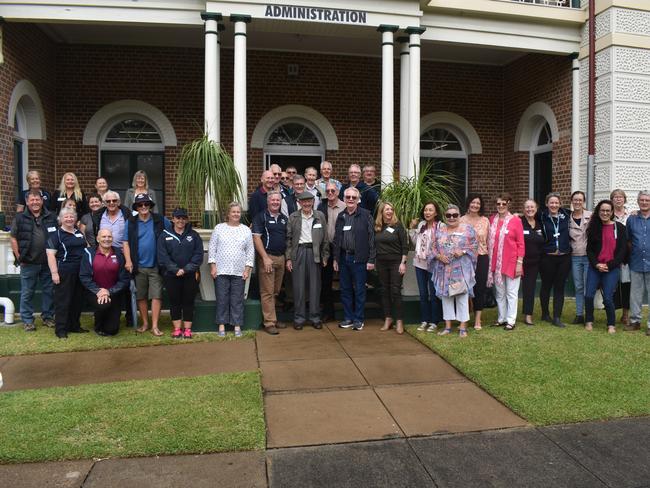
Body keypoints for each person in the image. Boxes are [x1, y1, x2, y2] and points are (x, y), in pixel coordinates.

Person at [123, 193, 170, 336]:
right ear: (136, 207)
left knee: (156, 296)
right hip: (138, 265)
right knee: (141, 296)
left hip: (156, 265)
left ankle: (155, 326)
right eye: (140, 205)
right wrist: (128, 260)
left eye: (146, 204)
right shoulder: (130, 222)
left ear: (150, 206)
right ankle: (145, 323)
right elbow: (125, 243)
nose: (143, 207)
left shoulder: (161, 220)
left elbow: (171, 235)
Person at [10, 190, 57, 331]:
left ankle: (48, 317)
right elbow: (13, 238)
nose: (35, 202)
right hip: (28, 262)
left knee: (49, 291)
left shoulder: (51, 216)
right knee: (27, 292)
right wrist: (19, 257)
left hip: (48, 262)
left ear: (42, 201)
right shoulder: (19, 218)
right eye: (32, 200)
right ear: (27, 201)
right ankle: (28, 320)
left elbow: (56, 237)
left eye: (38, 199)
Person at [431, 204, 478, 338]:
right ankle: (448, 326)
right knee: (446, 297)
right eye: (449, 215)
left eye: (455, 215)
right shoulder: (440, 230)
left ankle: (463, 327)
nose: (452, 218)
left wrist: (463, 251)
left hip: (461, 269)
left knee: (462, 296)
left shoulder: (467, 230)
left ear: (459, 215)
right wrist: (439, 256)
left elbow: (475, 245)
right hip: (444, 269)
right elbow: (433, 247)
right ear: (445, 217)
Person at [208, 202, 254, 337]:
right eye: (233, 212)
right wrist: (213, 266)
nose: (236, 214)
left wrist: (247, 269)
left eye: (238, 212)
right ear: (228, 214)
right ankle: (221, 325)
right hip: (221, 270)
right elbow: (212, 248)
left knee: (237, 299)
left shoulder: (246, 230)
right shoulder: (219, 228)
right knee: (222, 298)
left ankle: (237, 325)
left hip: (239, 271)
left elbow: (250, 251)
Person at [333, 186, 375, 331]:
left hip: (360, 259)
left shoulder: (366, 215)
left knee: (359, 290)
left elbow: (371, 239)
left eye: (353, 197)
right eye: (348, 197)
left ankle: (358, 319)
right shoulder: (341, 216)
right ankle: (348, 318)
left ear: (358, 200)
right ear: (344, 199)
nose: (350, 199)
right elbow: (337, 238)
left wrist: (371, 259)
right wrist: (336, 259)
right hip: (344, 258)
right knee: (345, 289)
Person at [157, 208, 203, 339]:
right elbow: (162, 256)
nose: (180, 220)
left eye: (183, 218)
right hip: (172, 275)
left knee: (188, 302)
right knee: (175, 302)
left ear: (186, 219)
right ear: (173, 219)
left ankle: (187, 329)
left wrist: (186, 269)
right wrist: (175, 269)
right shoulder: (164, 235)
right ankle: (177, 329)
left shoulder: (194, 235)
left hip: (190, 275)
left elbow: (198, 255)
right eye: (178, 218)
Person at [286, 192, 329, 329]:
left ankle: (315, 317)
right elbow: (288, 239)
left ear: (312, 202)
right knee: (298, 287)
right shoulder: (293, 217)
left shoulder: (319, 216)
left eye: (309, 201)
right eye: (303, 201)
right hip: (298, 252)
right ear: (299, 202)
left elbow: (325, 238)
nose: (306, 204)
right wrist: (288, 258)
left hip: (314, 252)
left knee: (315, 286)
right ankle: (299, 318)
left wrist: (325, 256)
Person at [584, 199, 628, 334]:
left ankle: (611, 324)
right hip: (595, 267)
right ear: (598, 211)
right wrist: (597, 264)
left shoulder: (620, 228)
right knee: (589, 296)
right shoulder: (593, 227)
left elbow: (622, 251)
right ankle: (589, 320)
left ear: (612, 212)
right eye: (602, 210)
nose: (605, 213)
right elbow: (589, 250)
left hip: (611, 268)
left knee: (608, 298)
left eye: (608, 211)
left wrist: (609, 265)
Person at [46, 207, 89, 338]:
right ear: (61, 219)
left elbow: (86, 247)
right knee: (63, 301)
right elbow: (50, 255)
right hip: (64, 272)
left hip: (80, 272)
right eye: (66, 217)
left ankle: (74, 326)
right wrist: (54, 273)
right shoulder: (56, 235)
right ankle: (61, 330)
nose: (69, 219)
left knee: (77, 300)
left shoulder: (79, 233)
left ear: (75, 219)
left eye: (72, 216)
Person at [80, 229, 130, 336]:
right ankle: (98, 326)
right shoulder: (89, 253)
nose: (106, 239)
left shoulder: (119, 254)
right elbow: (84, 277)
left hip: (113, 293)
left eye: (109, 237)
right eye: (103, 237)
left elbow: (124, 279)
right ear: (98, 239)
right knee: (103, 304)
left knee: (112, 330)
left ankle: (109, 321)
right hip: (94, 292)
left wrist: (109, 291)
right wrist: (98, 291)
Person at [252, 191, 289, 335]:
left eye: (277, 200)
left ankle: (272, 318)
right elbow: (256, 238)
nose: (275, 202)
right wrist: (265, 257)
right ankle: (269, 322)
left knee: (275, 291)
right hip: (267, 258)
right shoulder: (261, 217)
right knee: (267, 291)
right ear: (268, 202)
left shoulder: (284, 219)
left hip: (281, 258)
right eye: (272, 200)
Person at [486, 193, 525, 330]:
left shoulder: (516, 221)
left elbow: (521, 244)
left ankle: (511, 320)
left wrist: (520, 263)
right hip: (496, 263)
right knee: (500, 293)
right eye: (498, 203)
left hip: (512, 263)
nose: (501, 206)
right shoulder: (491, 220)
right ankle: (501, 318)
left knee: (511, 293)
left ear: (509, 203)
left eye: (504, 203)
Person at [375, 202, 409, 334]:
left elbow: (405, 246)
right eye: (387, 209)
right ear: (381, 212)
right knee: (384, 290)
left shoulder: (398, 225)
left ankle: (399, 321)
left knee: (395, 291)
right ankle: (388, 318)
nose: (389, 211)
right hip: (381, 262)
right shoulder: (377, 226)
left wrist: (403, 263)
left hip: (396, 262)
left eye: (391, 209)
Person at [539, 192, 572, 328]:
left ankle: (557, 317)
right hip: (547, 256)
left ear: (560, 204)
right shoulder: (541, 215)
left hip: (564, 256)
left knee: (560, 286)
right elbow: (526, 217)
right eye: (551, 202)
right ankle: (545, 313)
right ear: (547, 204)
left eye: (556, 203)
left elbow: (583, 213)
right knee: (546, 285)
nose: (554, 205)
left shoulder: (567, 214)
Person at [410, 202, 444, 333]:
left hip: (434, 264)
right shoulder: (421, 225)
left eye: (430, 210)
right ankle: (425, 320)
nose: (427, 212)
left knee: (434, 294)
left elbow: (443, 244)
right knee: (423, 294)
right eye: (426, 210)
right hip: (419, 264)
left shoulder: (441, 226)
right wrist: (412, 228)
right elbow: (415, 242)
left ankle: (435, 321)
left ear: (436, 213)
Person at [460, 194, 490, 330]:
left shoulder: (485, 221)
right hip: (465, 258)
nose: (475, 205)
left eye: (478, 203)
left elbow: (490, 241)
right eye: (473, 202)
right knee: (465, 288)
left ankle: (478, 319)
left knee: (480, 288)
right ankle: (464, 318)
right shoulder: (460, 220)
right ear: (468, 204)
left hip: (482, 257)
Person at [317, 181, 346, 321]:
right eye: (327, 191)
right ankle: (328, 312)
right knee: (326, 282)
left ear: (338, 192)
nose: (330, 193)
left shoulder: (345, 207)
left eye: (332, 191)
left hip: (343, 248)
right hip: (326, 248)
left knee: (346, 281)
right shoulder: (321, 207)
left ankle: (348, 313)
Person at [624, 190, 650, 336]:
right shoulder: (631, 219)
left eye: (647, 200)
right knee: (635, 295)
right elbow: (628, 240)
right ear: (638, 201)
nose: (644, 202)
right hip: (636, 261)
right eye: (642, 200)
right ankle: (635, 322)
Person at [568, 191, 592, 324]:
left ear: (584, 202)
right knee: (578, 286)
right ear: (572, 201)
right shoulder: (567, 217)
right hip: (575, 256)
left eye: (580, 200)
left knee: (589, 287)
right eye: (575, 200)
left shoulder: (591, 216)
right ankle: (579, 314)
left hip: (589, 257)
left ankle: (589, 315)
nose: (577, 202)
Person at [520, 199, 544, 326]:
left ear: (536, 208)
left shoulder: (540, 223)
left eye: (532, 207)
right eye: (527, 207)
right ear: (523, 209)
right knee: (511, 290)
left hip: (535, 262)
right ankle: (507, 315)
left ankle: (528, 315)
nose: (529, 209)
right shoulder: (519, 222)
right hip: (519, 261)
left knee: (530, 289)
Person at [611, 189, 631, 326]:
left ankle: (625, 315)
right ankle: (610, 313)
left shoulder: (631, 215)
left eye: (620, 197)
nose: (618, 199)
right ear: (612, 200)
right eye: (615, 197)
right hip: (611, 254)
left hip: (627, 255)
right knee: (611, 285)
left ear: (624, 199)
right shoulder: (607, 215)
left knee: (626, 285)